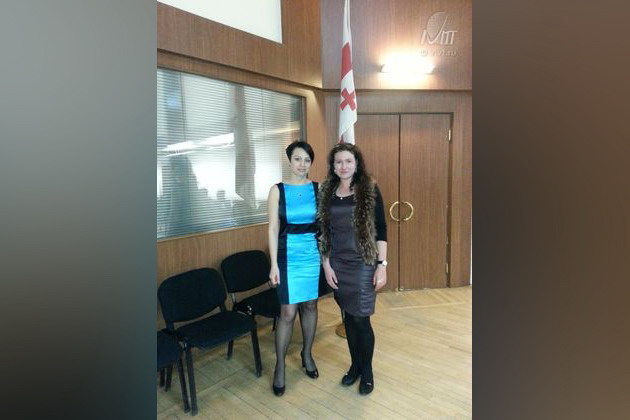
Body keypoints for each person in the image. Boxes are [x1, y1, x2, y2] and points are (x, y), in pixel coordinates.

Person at [318, 143, 388, 395]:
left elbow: (381, 229)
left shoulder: (369, 189)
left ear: (356, 163)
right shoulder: (326, 191)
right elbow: (322, 231)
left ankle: (367, 371)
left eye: (348, 161)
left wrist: (382, 265)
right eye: (338, 162)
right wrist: (326, 265)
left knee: (361, 318)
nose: (343, 166)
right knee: (348, 316)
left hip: (363, 263)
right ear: (333, 166)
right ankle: (355, 366)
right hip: (337, 263)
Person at [267, 140, 322, 396]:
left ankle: (306, 354)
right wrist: (273, 265)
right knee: (287, 313)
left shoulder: (318, 189)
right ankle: (280, 366)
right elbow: (273, 229)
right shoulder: (277, 190)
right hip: (287, 257)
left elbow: (324, 227)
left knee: (310, 305)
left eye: (307, 160)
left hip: (311, 255)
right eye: (298, 159)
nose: (302, 164)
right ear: (289, 161)